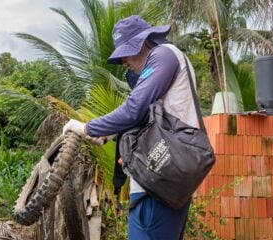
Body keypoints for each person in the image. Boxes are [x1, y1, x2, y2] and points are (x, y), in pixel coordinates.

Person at [62, 15, 199, 240]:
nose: (124, 61)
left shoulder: (164, 54)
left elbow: (134, 110)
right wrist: (110, 133)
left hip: (158, 179)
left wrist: (87, 128)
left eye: (127, 52)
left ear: (145, 42)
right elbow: (147, 117)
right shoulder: (162, 64)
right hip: (165, 176)